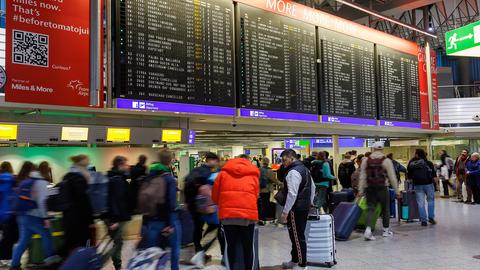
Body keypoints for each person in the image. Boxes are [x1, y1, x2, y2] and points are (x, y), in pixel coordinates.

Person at [212, 154, 259, 270]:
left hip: (228, 217)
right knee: (248, 247)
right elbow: (256, 195)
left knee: (230, 246)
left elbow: (214, 196)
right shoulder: (254, 175)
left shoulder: (222, 174)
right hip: (248, 217)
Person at [10, 163, 61, 270]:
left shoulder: (27, 181)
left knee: (24, 240)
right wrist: (46, 218)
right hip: (33, 216)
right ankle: (50, 261)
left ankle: (14, 264)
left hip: (21, 215)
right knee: (47, 236)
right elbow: (42, 202)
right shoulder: (41, 182)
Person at [142, 149, 180, 270]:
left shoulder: (148, 177)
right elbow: (171, 202)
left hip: (152, 219)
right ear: (170, 161)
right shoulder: (169, 179)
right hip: (168, 219)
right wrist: (169, 224)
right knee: (175, 248)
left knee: (152, 250)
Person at [279, 150, 315, 270]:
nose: (283, 163)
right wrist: (310, 202)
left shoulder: (293, 172)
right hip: (303, 207)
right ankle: (295, 260)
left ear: (291, 158)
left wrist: (285, 211)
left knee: (297, 237)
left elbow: (292, 194)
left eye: (284, 160)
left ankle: (301, 263)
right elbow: (313, 187)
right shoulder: (305, 169)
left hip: (295, 209)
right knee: (297, 235)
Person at [358, 142, 398, 241]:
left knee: (370, 209)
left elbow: (362, 176)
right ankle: (385, 231)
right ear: (382, 149)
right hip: (383, 187)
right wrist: (396, 190)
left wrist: (360, 190)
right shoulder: (387, 161)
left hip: (369, 188)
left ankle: (368, 230)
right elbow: (392, 177)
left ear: (373, 149)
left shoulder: (366, 160)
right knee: (385, 209)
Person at [184, 152, 219, 256]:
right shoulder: (209, 173)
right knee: (214, 226)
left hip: (194, 205)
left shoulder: (195, 170)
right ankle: (201, 250)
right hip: (207, 206)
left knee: (197, 228)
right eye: (216, 161)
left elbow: (186, 183)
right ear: (210, 160)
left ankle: (198, 249)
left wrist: (188, 201)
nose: (216, 163)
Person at [62, 155, 94, 256]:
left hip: (68, 217)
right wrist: (90, 219)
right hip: (81, 218)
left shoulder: (66, 176)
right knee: (85, 244)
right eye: (87, 160)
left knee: (71, 243)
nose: (88, 162)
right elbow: (84, 201)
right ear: (81, 161)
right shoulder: (80, 178)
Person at [105, 156, 131, 270]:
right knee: (118, 242)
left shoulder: (112, 177)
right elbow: (115, 200)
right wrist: (114, 220)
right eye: (125, 164)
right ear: (120, 165)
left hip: (113, 217)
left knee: (117, 241)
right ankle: (116, 265)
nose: (128, 167)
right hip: (116, 218)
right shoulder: (117, 180)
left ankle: (117, 264)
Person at [407, 149, 437, 226]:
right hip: (428, 184)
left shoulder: (412, 164)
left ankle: (423, 220)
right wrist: (436, 185)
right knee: (431, 200)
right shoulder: (428, 163)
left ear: (417, 154)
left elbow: (409, 176)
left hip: (417, 185)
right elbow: (434, 175)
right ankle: (431, 218)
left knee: (421, 203)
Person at [0, 162, 17, 265]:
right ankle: (6, 257)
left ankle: (4, 257)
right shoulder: (13, 179)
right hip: (11, 211)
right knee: (10, 236)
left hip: (1, 212)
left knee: (6, 236)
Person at [259, 157, 282, 224]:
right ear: (268, 162)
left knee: (261, 203)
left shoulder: (258, 169)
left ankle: (261, 216)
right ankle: (264, 217)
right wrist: (281, 184)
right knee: (266, 203)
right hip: (266, 189)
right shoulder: (269, 171)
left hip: (259, 190)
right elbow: (274, 180)